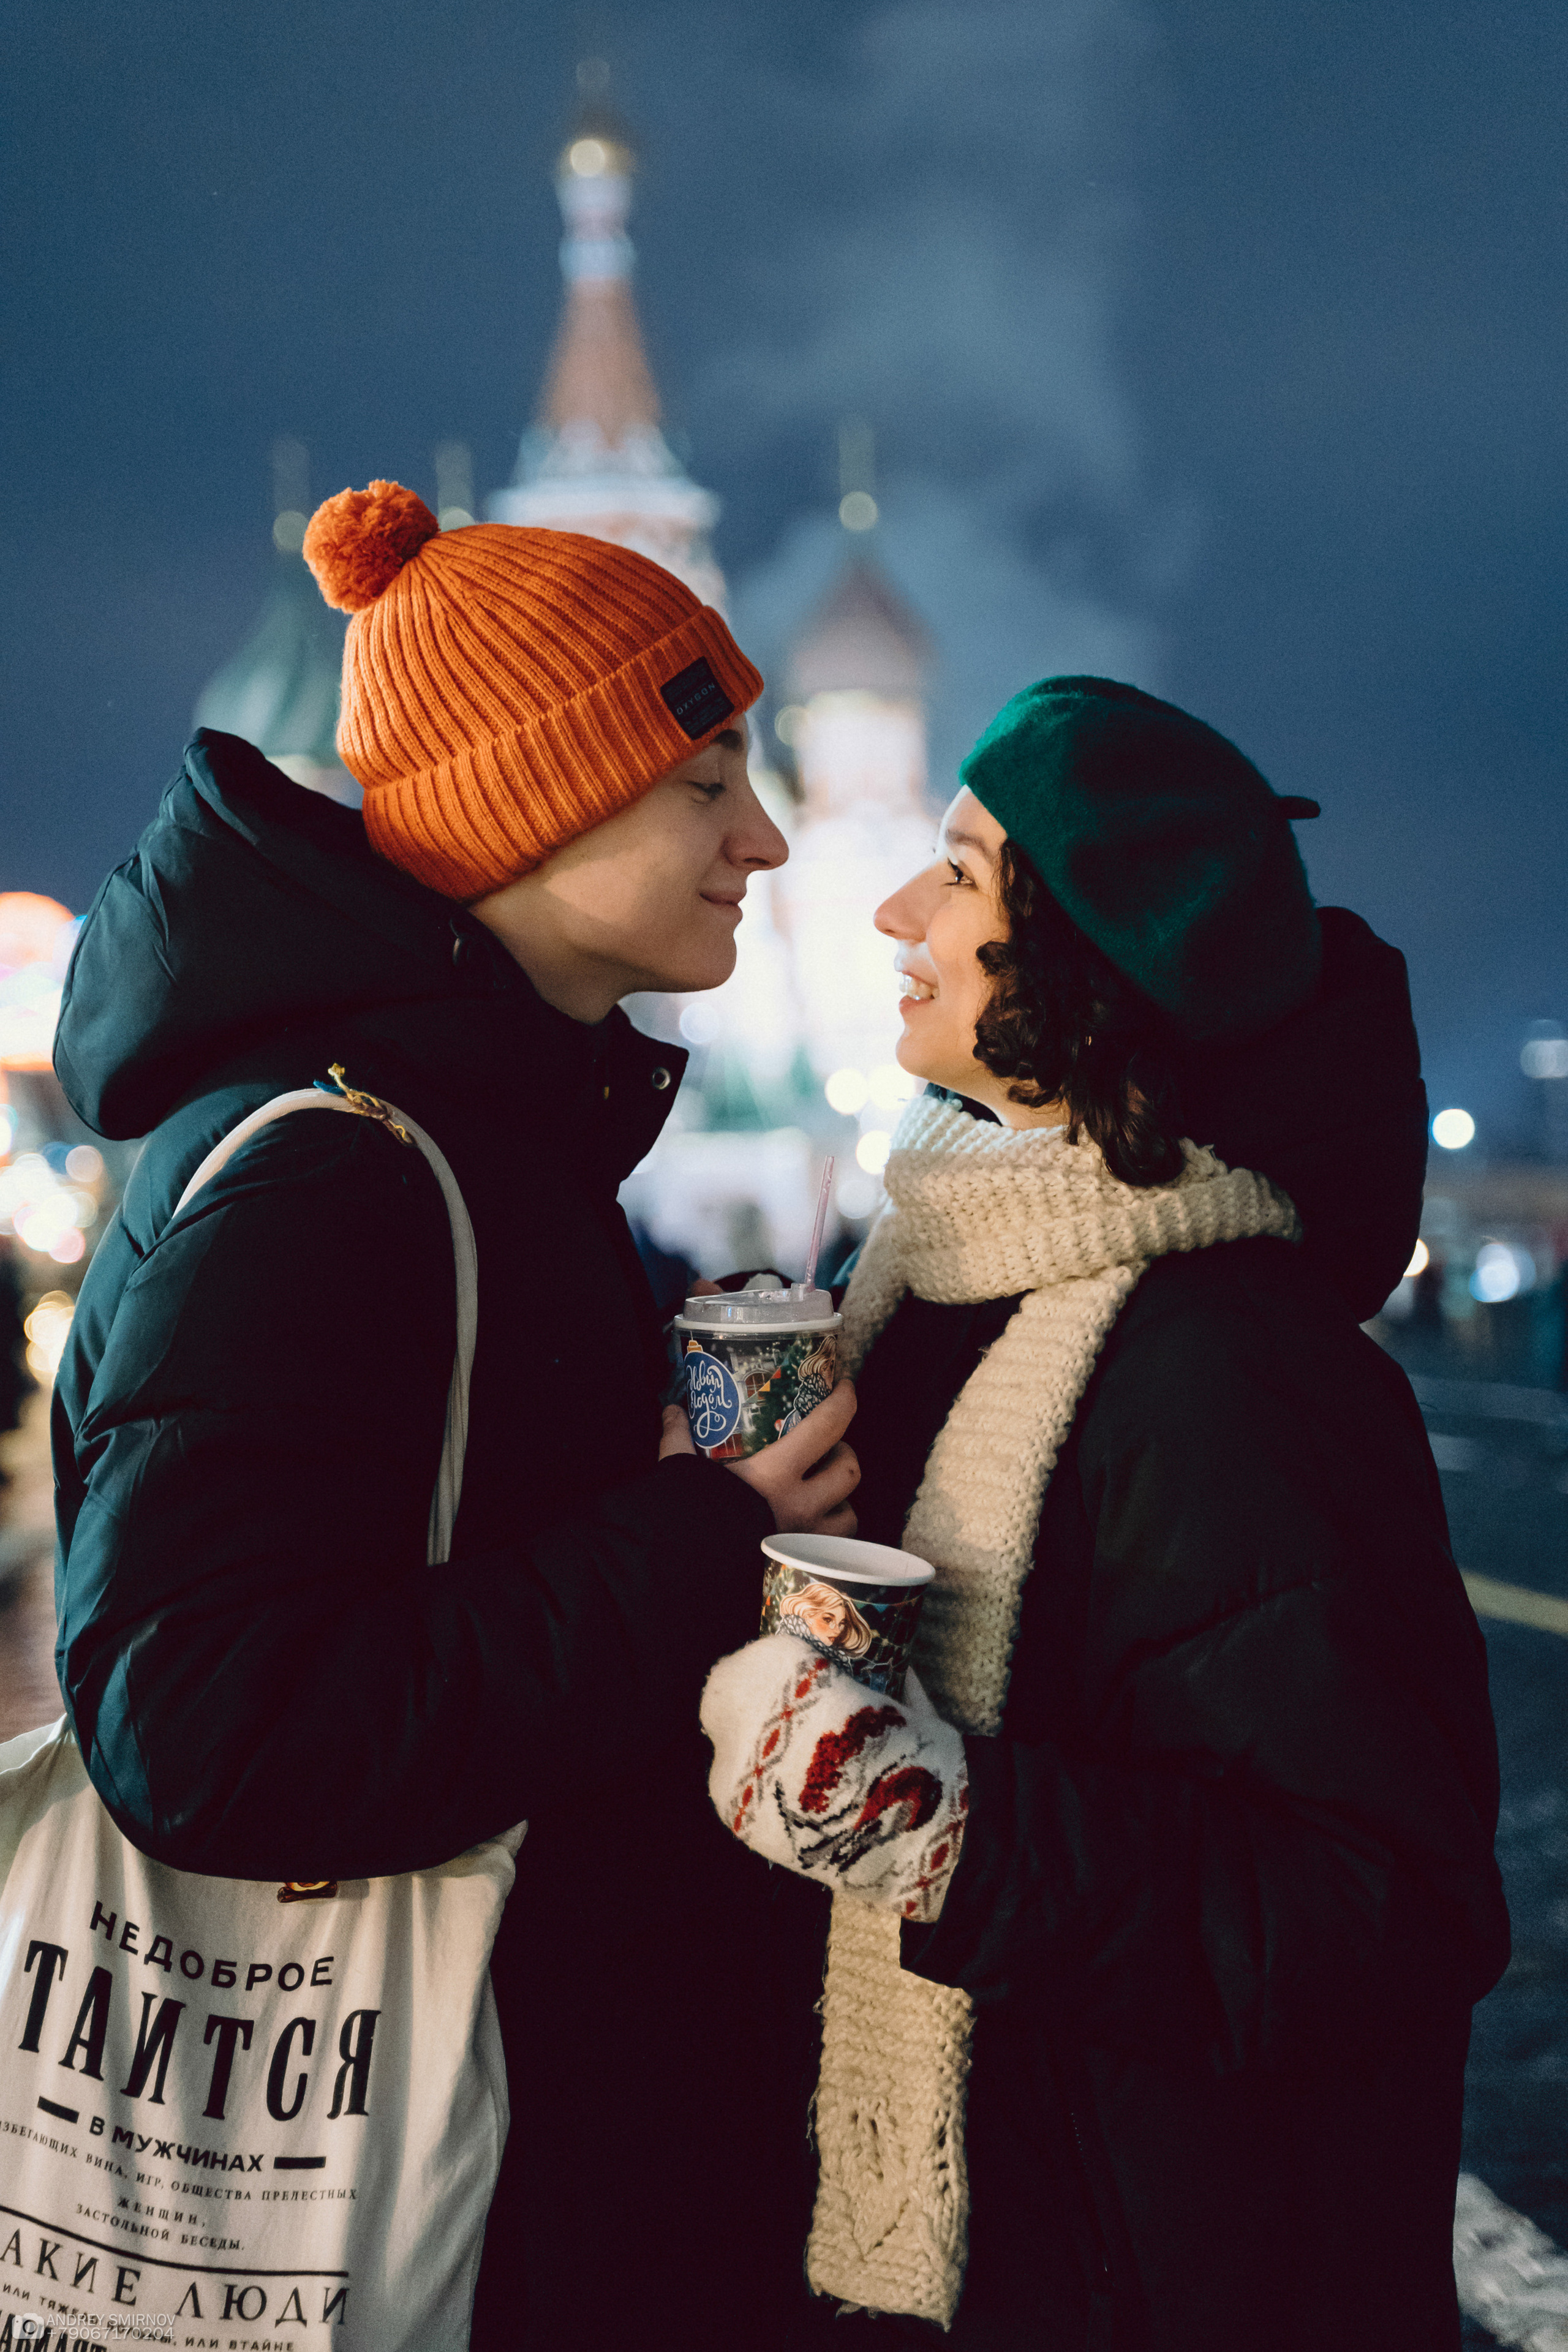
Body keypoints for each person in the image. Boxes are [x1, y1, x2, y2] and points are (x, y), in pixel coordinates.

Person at [50, 483, 856, 2350]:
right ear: (542, 800)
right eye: (704, 782)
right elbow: (205, 1727)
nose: (766, 837)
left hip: (537, 2114)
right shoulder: (334, 1168)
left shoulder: (485, 1127)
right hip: (440, 2147)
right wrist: (693, 1535)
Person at [701, 676, 1509, 2351]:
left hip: (1130, 2271)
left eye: (964, 876)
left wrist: (951, 1828)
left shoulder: (1239, 1374)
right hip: (961, 2245)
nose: (892, 908)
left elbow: (1384, 1910)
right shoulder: (924, 1277)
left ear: (1082, 961)